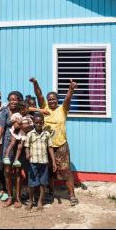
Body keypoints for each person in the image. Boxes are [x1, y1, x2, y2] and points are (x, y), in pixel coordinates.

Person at [30, 77, 79, 206]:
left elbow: (68, 99)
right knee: (49, 171)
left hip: (61, 145)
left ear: (57, 100)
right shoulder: (44, 108)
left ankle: (72, 195)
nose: (52, 100)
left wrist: (70, 90)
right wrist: (35, 82)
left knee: (66, 171)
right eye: (50, 99)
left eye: (54, 98)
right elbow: (39, 94)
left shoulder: (62, 109)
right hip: (46, 146)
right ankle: (50, 193)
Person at [0, 91, 23, 208]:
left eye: (15, 99)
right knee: (7, 171)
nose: (12, 101)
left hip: (20, 144)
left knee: (17, 171)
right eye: (10, 99)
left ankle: (18, 198)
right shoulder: (4, 112)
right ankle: (10, 197)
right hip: (6, 144)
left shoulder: (22, 111)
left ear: (19, 100)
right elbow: (0, 129)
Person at [24, 113, 56, 211]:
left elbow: (50, 147)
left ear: (43, 123)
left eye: (40, 122)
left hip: (44, 162)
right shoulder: (30, 134)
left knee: (43, 183)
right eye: (36, 122)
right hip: (33, 162)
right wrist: (27, 154)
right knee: (32, 183)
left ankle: (40, 202)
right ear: (33, 122)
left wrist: (53, 161)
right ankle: (30, 200)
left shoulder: (47, 134)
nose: (38, 124)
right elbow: (27, 146)